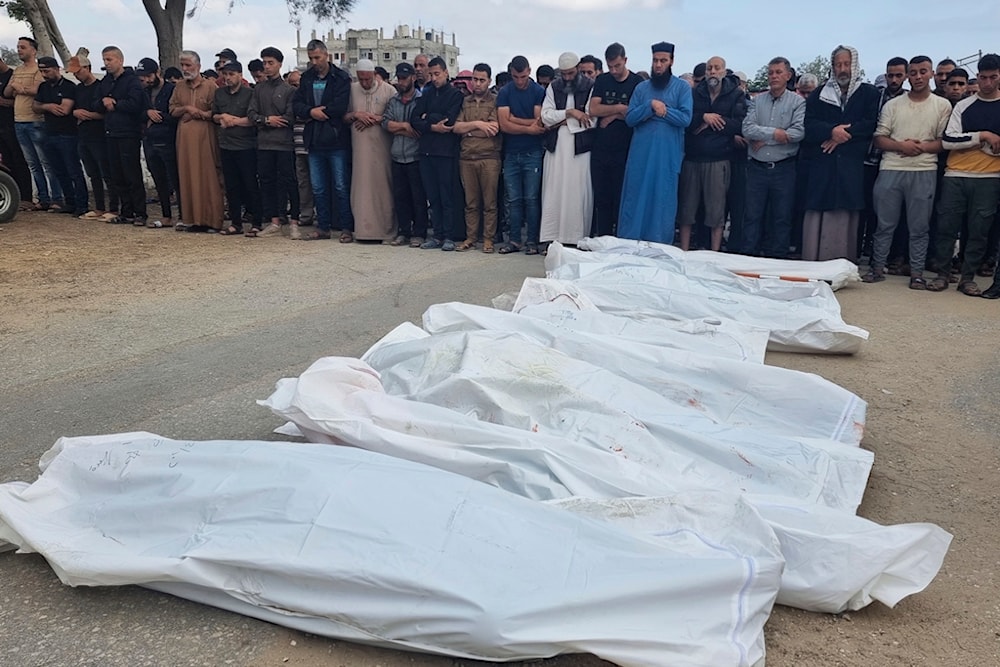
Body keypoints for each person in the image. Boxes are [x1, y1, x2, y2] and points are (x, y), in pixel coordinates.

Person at [861, 55, 951, 289]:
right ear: (908, 76)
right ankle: (877, 268)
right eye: (914, 72)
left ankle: (917, 273)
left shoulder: (942, 105)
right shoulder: (893, 105)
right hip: (891, 168)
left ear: (931, 74)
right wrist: (902, 146)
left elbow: (944, 142)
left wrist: (920, 147)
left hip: (924, 170)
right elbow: (879, 138)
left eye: (923, 71)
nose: (918, 76)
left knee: (919, 226)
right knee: (884, 224)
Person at [928, 53, 1000, 296]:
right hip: (956, 174)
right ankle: (942, 274)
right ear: (977, 77)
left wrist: (971, 141)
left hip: (990, 178)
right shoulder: (963, 105)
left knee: (979, 231)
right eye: (983, 78)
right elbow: (948, 140)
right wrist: (983, 137)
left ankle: (967, 278)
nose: (988, 83)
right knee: (946, 227)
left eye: (993, 77)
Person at [800, 45, 879, 261]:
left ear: (854, 66)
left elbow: (870, 124)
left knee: (846, 213)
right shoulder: (819, 94)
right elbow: (809, 126)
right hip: (823, 166)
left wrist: (843, 133)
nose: (842, 69)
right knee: (819, 212)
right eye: (838, 64)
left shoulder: (868, 93)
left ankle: (842, 263)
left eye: (846, 64)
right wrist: (830, 131)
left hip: (851, 166)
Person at [617, 42, 693, 243]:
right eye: (655, 60)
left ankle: (659, 246)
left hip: (666, 158)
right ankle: (629, 244)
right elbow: (630, 118)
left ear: (671, 62)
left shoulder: (682, 88)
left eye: (663, 61)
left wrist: (665, 111)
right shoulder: (641, 88)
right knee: (635, 200)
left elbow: (686, 119)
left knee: (662, 201)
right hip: (640, 157)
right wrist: (650, 107)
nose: (658, 65)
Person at [677, 55, 746, 251]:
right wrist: (704, 118)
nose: (712, 72)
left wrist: (712, 123)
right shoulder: (693, 93)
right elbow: (686, 120)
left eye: (716, 68)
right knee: (687, 210)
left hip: (719, 159)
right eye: (709, 68)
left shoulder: (735, 94)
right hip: (692, 158)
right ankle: (683, 250)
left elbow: (739, 124)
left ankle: (715, 253)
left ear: (724, 72)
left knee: (716, 212)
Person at [740, 56, 806, 257]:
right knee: (751, 216)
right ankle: (747, 259)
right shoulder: (756, 100)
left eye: (778, 72)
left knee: (782, 217)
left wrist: (764, 137)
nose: (774, 76)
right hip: (757, 168)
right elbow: (747, 129)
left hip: (783, 168)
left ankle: (777, 259)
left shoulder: (798, 102)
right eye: (770, 72)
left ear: (788, 75)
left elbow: (797, 133)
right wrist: (776, 134)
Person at [293, 39, 353, 242]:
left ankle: (346, 227)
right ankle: (323, 227)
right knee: (318, 187)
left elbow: (340, 106)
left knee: (340, 186)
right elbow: (297, 105)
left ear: (326, 55)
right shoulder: (307, 78)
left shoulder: (340, 77)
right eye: (311, 58)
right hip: (314, 140)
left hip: (336, 139)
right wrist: (311, 111)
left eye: (317, 57)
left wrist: (320, 112)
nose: (314, 62)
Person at [538, 52, 595, 251]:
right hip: (557, 148)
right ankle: (552, 238)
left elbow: (590, 119)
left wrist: (560, 120)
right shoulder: (554, 87)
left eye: (571, 73)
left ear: (578, 68)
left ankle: (576, 238)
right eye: (564, 74)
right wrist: (571, 113)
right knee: (554, 191)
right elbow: (545, 117)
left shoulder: (589, 86)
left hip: (580, 148)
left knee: (578, 192)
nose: (568, 78)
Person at [587, 42, 642, 237]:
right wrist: (619, 109)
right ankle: (602, 238)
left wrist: (611, 115)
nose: (614, 70)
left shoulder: (637, 83)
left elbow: (636, 114)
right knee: (601, 198)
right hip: (601, 149)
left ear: (625, 61)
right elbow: (594, 109)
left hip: (625, 149)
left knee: (620, 197)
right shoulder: (602, 80)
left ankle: (619, 239)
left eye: (617, 66)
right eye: (610, 66)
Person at [411, 56, 464, 251]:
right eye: (431, 74)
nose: (434, 78)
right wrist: (432, 125)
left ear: (446, 72)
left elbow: (449, 120)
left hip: (446, 153)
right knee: (432, 196)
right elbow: (414, 119)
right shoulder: (427, 93)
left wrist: (428, 117)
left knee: (446, 195)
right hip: (426, 151)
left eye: (437, 74)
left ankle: (449, 235)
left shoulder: (455, 95)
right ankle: (437, 235)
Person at [858, 57, 909, 259]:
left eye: (898, 75)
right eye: (890, 75)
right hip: (867, 161)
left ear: (905, 76)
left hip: (893, 163)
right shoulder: (874, 96)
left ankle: (886, 256)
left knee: (887, 212)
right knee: (864, 208)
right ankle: (861, 249)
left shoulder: (908, 100)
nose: (894, 80)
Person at [5, 36, 62, 210]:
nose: (19, 50)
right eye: (18, 47)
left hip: (35, 121)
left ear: (33, 50)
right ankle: (43, 199)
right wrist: (17, 87)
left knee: (46, 162)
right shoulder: (17, 70)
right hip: (19, 121)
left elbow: (37, 89)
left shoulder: (39, 70)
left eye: (23, 47)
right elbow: (7, 92)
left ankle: (56, 198)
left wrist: (19, 88)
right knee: (33, 164)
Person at [170, 50, 224, 231]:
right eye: (182, 65)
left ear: (198, 66)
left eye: (188, 65)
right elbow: (172, 110)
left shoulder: (210, 86)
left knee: (208, 176)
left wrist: (197, 113)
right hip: (184, 139)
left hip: (204, 136)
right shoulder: (179, 87)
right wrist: (186, 108)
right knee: (187, 176)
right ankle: (192, 220)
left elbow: (215, 113)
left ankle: (212, 220)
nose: (185, 69)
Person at [248, 46, 299, 239]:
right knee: (267, 182)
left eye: (271, 63)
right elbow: (252, 114)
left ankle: (294, 222)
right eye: (265, 63)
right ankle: (274, 221)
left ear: (279, 64)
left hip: (284, 144)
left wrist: (274, 120)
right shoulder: (258, 89)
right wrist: (267, 120)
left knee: (289, 182)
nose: (267, 67)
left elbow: (289, 116)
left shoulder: (288, 90)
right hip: (264, 144)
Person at [497, 55, 546, 254]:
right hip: (511, 152)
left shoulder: (538, 91)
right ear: (511, 74)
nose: (519, 81)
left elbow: (540, 122)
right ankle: (515, 240)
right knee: (514, 199)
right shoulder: (505, 92)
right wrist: (527, 127)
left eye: (523, 76)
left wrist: (514, 120)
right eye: (516, 77)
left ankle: (532, 241)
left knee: (531, 199)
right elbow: (504, 124)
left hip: (533, 152)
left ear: (529, 71)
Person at [94, 45, 148, 225]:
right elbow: (96, 103)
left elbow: (136, 105)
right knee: (117, 175)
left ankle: (140, 212)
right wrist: (104, 102)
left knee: (132, 174)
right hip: (110, 133)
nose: (106, 63)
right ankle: (127, 212)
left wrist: (115, 103)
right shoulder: (106, 81)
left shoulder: (132, 81)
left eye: (109, 59)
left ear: (120, 60)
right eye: (104, 60)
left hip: (128, 133)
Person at [452, 62, 502, 252]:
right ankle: (471, 237)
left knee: (489, 202)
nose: (478, 83)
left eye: (482, 80)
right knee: (470, 202)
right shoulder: (466, 101)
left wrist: (469, 130)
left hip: (489, 157)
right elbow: (456, 128)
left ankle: (488, 239)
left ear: (489, 81)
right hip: (467, 158)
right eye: (475, 79)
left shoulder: (496, 101)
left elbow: (494, 129)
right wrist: (479, 125)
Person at [32, 56, 88, 217]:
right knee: (59, 171)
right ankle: (69, 202)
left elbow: (64, 110)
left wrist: (44, 107)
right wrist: (48, 106)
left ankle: (81, 204)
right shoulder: (43, 87)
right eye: (42, 71)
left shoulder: (69, 86)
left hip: (67, 134)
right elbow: (35, 106)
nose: (44, 74)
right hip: (49, 133)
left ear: (57, 69)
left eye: (47, 71)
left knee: (73, 170)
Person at [347, 58, 395, 242]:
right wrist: (356, 115)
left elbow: (394, 115)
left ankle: (386, 231)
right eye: (362, 79)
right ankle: (362, 231)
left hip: (382, 148)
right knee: (361, 187)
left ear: (374, 75)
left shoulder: (389, 90)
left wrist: (377, 118)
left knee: (384, 187)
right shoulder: (351, 90)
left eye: (368, 79)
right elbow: (342, 116)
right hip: (360, 150)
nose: (365, 83)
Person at [382, 62, 428, 247]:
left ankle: (419, 233)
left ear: (413, 78)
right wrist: (405, 126)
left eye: (404, 78)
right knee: (400, 197)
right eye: (399, 78)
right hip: (397, 156)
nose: (401, 82)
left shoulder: (421, 100)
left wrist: (400, 127)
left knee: (418, 197)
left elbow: (419, 130)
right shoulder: (393, 101)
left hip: (415, 156)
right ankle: (403, 231)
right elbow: (386, 124)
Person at [68, 52, 117, 221]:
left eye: (78, 70)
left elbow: (106, 113)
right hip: (83, 135)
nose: (75, 74)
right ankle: (99, 207)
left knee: (106, 173)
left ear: (87, 68)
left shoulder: (101, 86)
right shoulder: (78, 89)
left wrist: (88, 115)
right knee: (93, 173)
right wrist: (76, 112)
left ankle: (114, 207)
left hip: (99, 135)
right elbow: (73, 109)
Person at [213, 60, 260, 235]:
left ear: (240, 75)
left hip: (246, 145)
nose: (227, 78)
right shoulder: (219, 94)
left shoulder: (250, 94)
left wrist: (232, 120)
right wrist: (221, 117)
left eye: (231, 74)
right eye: (225, 74)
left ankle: (256, 221)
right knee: (231, 186)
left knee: (250, 184)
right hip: (226, 145)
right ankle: (235, 222)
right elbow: (214, 115)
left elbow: (253, 119)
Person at [137, 57, 179, 228]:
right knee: (159, 180)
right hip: (149, 140)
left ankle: (183, 215)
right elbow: (136, 113)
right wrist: (147, 113)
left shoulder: (172, 90)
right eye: (143, 77)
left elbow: (176, 115)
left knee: (176, 180)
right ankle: (166, 215)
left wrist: (158, 117)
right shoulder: (143, 92)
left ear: (157, 73)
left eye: (148, 76)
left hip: (167, 140)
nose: (146, 80)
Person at [0, 55, 33, 206]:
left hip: (13, 124)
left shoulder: (12, 75)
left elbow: (19, 101)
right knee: (7, 162)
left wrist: (3, 102)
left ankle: (26, 197)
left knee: (20, 160)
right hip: (1, 128)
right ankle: (13, 197)